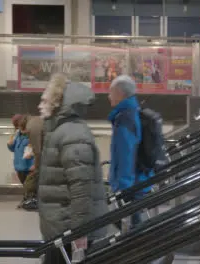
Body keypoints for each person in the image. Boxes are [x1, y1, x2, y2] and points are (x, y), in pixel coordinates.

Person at [37, 73, 108, 264]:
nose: (39, 105)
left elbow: (81, 189)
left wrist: (79, 232)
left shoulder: (71, 134)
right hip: (60, 227)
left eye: (44, 100)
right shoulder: (60, 131)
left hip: (68, 229)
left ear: (57, 102)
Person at [108, 75, 151, 229]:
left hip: (130, 185)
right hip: (137, 182)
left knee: (131, 226)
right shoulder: (132, 112)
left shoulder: (125, 119)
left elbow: (127, 154)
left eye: (111, 92)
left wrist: (124, 190)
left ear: (120, 93)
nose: (108, 96)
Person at [7, 114, 34, 208]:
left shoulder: (31, 135)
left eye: (19, 125)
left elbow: (37, 148)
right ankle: (27, 200)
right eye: (16, 126)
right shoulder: (16, 135)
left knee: (29, 185)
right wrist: (10, 144)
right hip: (19, 165)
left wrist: (32, 152)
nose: (18, 128)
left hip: (29, 166)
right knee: (25, 185)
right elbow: (13, 149)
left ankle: (29, 200)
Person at [21, 115, 44, 211]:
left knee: (32, 177)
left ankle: (32, 200)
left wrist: (36, 166)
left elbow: (38, 151)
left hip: (47, 157)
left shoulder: (32, 127)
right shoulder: (37, 121)